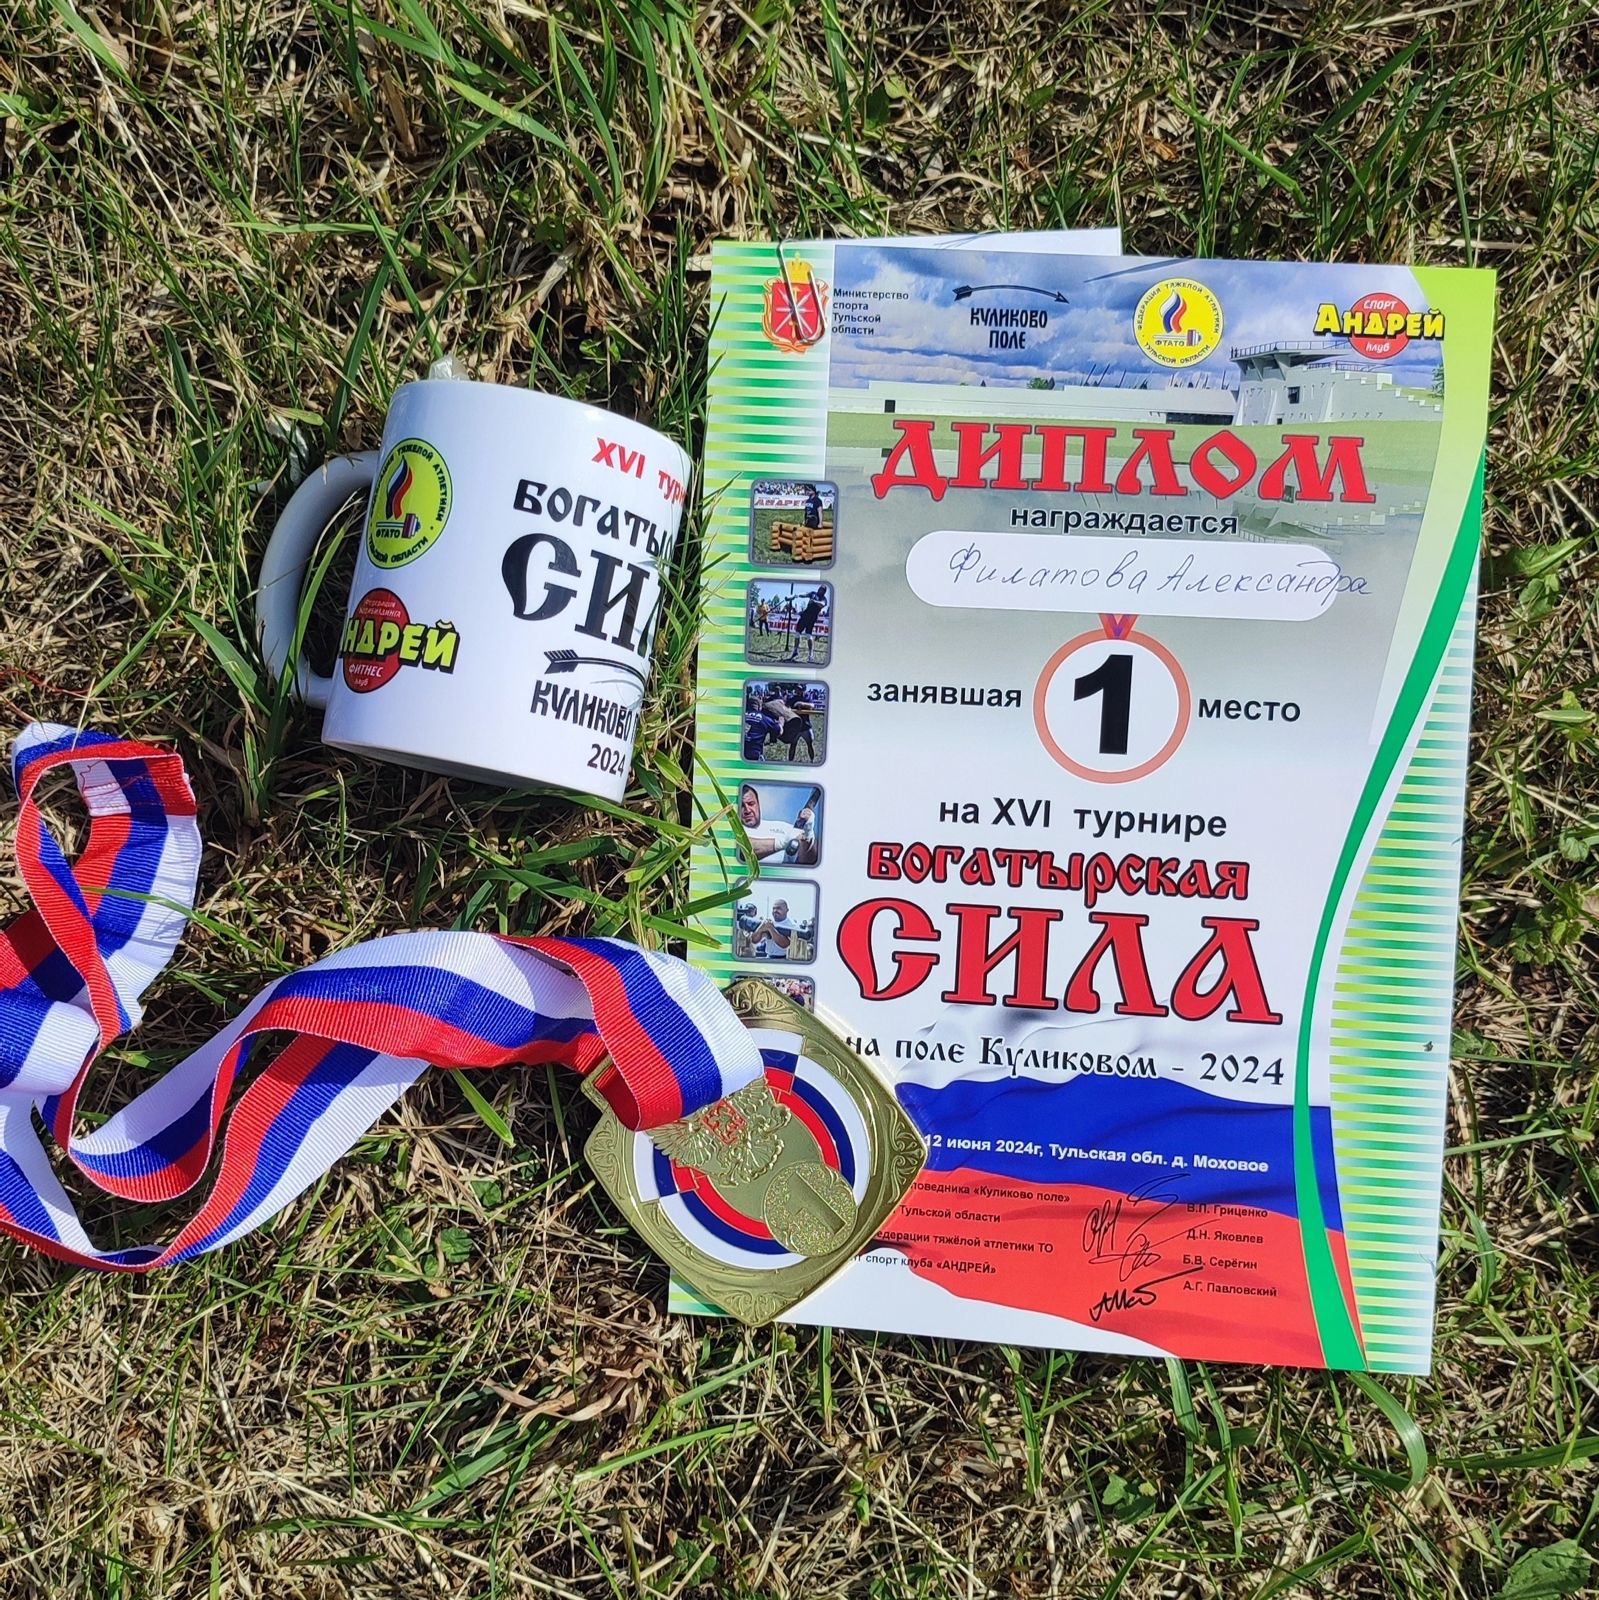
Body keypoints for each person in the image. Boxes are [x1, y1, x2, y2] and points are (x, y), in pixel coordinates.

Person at [738, 783, 815, 861]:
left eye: (751, 804)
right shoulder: (733, 830)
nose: (747, 810)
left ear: (758, 804)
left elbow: (807, 861)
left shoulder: (784, 828)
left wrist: (808, 834)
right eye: (742, 806)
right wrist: (781, 843)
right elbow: (741, 849)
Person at [785, 587, 828, 662]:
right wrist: (796, 595)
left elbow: (822, 604)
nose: (820, 590)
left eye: (822, 590)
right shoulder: (813, 593)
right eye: (820, 588)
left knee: (808, 635)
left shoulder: (824, 599)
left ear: (824, 592)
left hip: (812, 617)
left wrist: (814, 601)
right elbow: (805, 594)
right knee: (797, 633)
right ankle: (795, 651)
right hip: (805, 615)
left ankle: (811, 654)